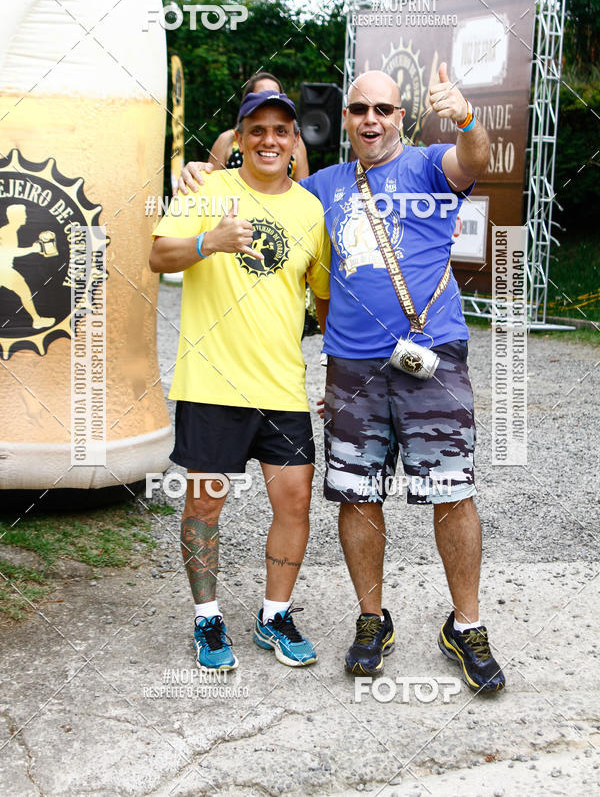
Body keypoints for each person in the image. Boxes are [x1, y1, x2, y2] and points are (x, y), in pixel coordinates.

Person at [177, 64, 505, 694]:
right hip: (353, 370)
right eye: (358, 110)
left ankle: (466, 625)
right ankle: (369, 619)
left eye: (382, 108)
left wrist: (464, 115)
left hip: (432, 358)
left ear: (401, 116)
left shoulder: (432, 167)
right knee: (358, 496)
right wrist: (205, 166)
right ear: (346, 120)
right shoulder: (322, 186)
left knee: (453, 492)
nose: (370, 119)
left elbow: (477, 155)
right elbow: (259, 162)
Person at [150, 89, 330, 672]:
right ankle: (207, 620)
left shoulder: (310, 210)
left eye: (282, 129)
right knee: (205, 506)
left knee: (295, 503)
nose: (270, 140)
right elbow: (158, 257)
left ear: (295, 142)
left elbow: (323, 300)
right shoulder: (207, 190)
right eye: (258, 130)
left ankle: (274, 615)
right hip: (211, 384)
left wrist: (345, 374)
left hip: (282, 387)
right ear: (240, 139)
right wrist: (210, 241)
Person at [208, 72, 309, 181]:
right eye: (257, 131)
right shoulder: (226, 139)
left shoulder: (297, 143)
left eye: (280, 131)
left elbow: (303, 187)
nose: (269, 142)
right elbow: (210, 186)